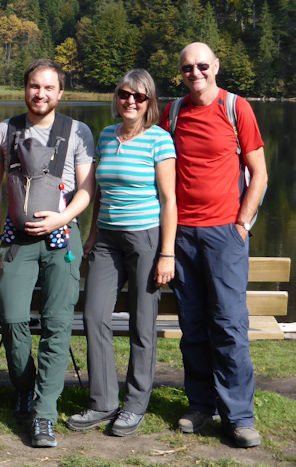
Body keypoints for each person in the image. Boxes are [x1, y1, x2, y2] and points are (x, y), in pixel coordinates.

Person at [159, 42, 268, 448]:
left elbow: (258, 173)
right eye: (187, 67)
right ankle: (201, 404)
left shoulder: (236, 107)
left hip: (225, 234)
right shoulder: (172, 112)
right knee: (193, 327)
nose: (195, 73)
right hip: (183, 235)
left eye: (202, 65)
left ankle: (238, 416)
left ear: (216, 67)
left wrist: (242, 224)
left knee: (229, 326)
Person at [0, 59, 95, 448]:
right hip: (16, 240)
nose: (41, 94)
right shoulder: (5, 131)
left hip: (61, 240)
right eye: (35, 86)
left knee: (56, 325)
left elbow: (87, 190)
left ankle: (44, 414)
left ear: (60, 92)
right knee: (12, 317)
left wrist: (61, 219)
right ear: (25, 89)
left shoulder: (79, 131)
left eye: (49, 88)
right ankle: (25, 385)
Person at [66, 69, 177, 437]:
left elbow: (168, 199)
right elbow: (98, 192)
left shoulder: (159, 140)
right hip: (107, 241)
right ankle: (102, 402)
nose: (130, 101)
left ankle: (135, 404)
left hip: (144, 239)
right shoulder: (106, 135)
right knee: (94, 316)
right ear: (116, 98)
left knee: (141, 324)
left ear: (149, 102)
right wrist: (93, 232)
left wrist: (166, 253)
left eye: (139, 97)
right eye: (124, 94)